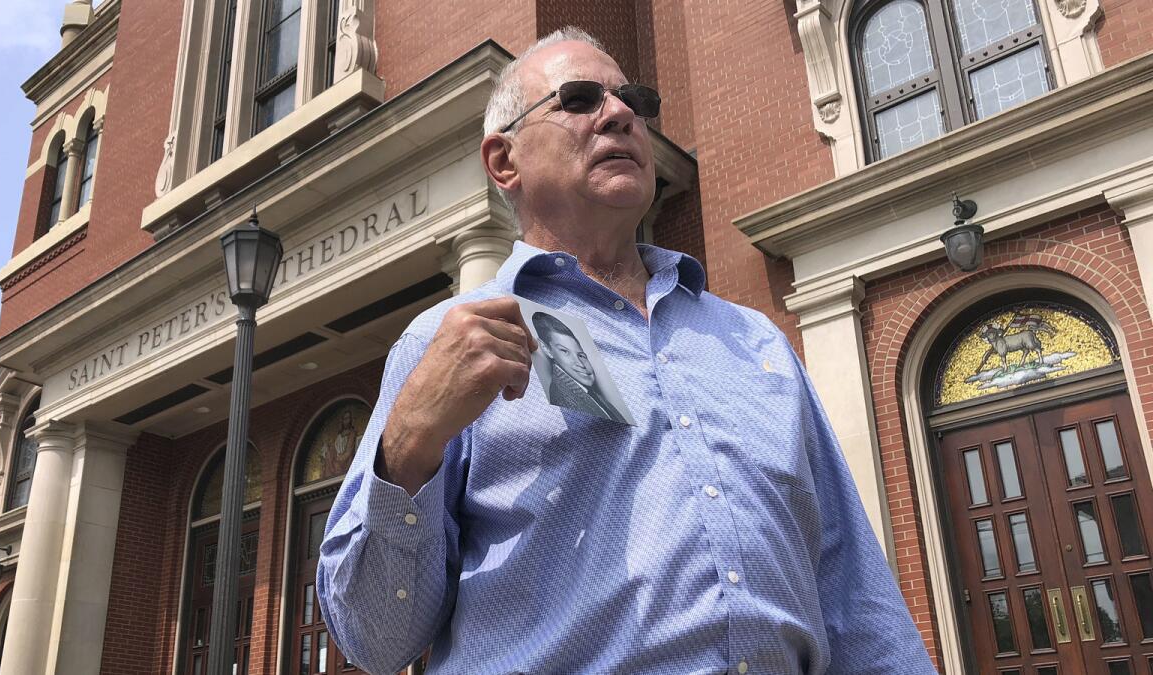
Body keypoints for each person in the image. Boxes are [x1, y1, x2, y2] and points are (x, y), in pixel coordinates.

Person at [318, 27, 935, 674]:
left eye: (632, 100)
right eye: (580, 100)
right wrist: (410, 442)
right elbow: (376, 640)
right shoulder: (443, 344)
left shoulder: (755, 342)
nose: (620, 114)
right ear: (504, 161)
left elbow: (854, 590)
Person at [530, 311, 626, 422]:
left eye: (581, 355)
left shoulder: (591, 393)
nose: (580, 364)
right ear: (546, 349)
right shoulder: (563, 397)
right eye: (565, 351)